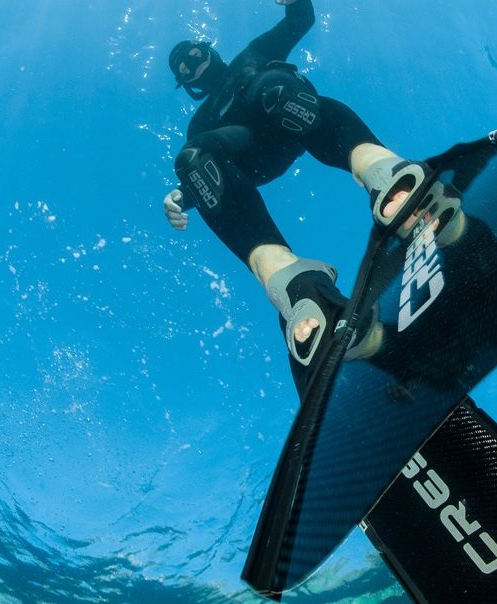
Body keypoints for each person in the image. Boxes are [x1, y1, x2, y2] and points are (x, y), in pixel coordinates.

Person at [162, 0, 461, 390]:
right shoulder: (200, 123)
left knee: (273, 89)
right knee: (193, 158)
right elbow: (210, 179)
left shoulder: (253, 54)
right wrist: (182, 196)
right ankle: (287, 279)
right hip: (255, 155)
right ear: (186, 85)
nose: (193, 64)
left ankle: (384, 173)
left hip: (293, 112)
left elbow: (299, 19)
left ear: (209, 50)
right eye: (184, 68)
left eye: (194, 54)